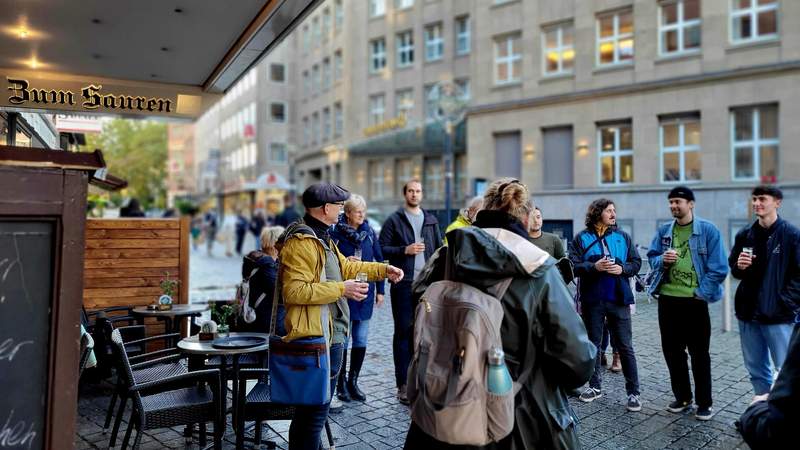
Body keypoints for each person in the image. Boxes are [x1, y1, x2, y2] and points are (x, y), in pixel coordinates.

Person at [404, 178, 596, 449]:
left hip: (443, 410)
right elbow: (578, 363)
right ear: (528, 218)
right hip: (518, 420)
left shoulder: (445, 258)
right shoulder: (539, 271)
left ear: (482, 211)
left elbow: (419, 317)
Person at [279, 182, 404, 450]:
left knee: (314, 414)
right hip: (316, 337)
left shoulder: (321, 236)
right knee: (312, 416)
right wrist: (341, 289)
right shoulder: (303, 241)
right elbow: (294, 291)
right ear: (325, 208)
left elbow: (345, 266)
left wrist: (383, 270)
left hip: (329, 335)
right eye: (338, 206)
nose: (341, 210)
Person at [646, 186, 729, 420]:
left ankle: (705, 403)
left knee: (699, 354)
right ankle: (683, 397)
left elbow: (720, 268)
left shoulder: (708, 231)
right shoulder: (664, 231)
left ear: (690, 204)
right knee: (673, 353)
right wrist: (662, 259)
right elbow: (651, 258)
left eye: (678, 202)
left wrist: (700, 293)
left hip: (695, 303)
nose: (674, 206)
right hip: (668, 301)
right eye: (671, 202)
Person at [569, 198, 643, 412]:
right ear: (597, 213)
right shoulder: (581, 238)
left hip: (619, 299)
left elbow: (636, 263)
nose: (613, 214)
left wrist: (623, 269)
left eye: (614, 211)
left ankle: (634, 392)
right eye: (609, 211)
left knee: (625, 347)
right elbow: (573, 266)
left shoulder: (623, 237)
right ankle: (594, 387)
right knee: (593, 345)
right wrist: (594, 267)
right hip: (592, 300)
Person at [728, 185, 800, 403]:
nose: (757, 203)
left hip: (778, 316)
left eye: (762, 199)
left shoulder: (791, 234)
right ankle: (761, 408)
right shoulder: (745, 234)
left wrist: (783, 302)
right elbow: (734, 270)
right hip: (748, 312)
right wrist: (739, 266)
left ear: (777, 202)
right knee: (756, 367)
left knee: (786, 368)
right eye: (754, 199)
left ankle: (784, 414)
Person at [379, 179, 443, 404]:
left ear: (422, 194)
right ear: (405, 194)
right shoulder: (395, 220)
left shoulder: (431, 220)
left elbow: (439, 251)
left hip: (427, 284)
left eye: (418, 191)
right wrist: (404, 250)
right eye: (411, 191)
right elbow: (381, 248)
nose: (415, 194)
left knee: (426, 333)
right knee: (404, 333)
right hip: (404, 284)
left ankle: (422, 381)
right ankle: (403, 384)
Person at [330, 194, 385, 405]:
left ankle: (354, 381)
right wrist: (345, 261)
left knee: (361, 339)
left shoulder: (369, 231)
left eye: (364, 211)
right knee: (343, 339)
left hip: (366, 292)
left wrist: (380, 289)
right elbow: (331, 262)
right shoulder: (336, 233)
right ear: (348, 213)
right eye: (358, 211)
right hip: (346, 292)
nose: (362, 215)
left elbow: (379, 259)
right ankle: (341, 383)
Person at [737, 322, 800, 448]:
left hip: (779, 314)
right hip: (748, 315)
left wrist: (754, 412)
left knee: (783, 367)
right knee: (756, 370)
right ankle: (765, 411)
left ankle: (763, 415)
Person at [237, 226, 284, 333]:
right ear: (276, 245)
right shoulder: (266, 265)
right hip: (268, 320)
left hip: (255, 314)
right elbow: (280, 294)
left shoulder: (255, 258)